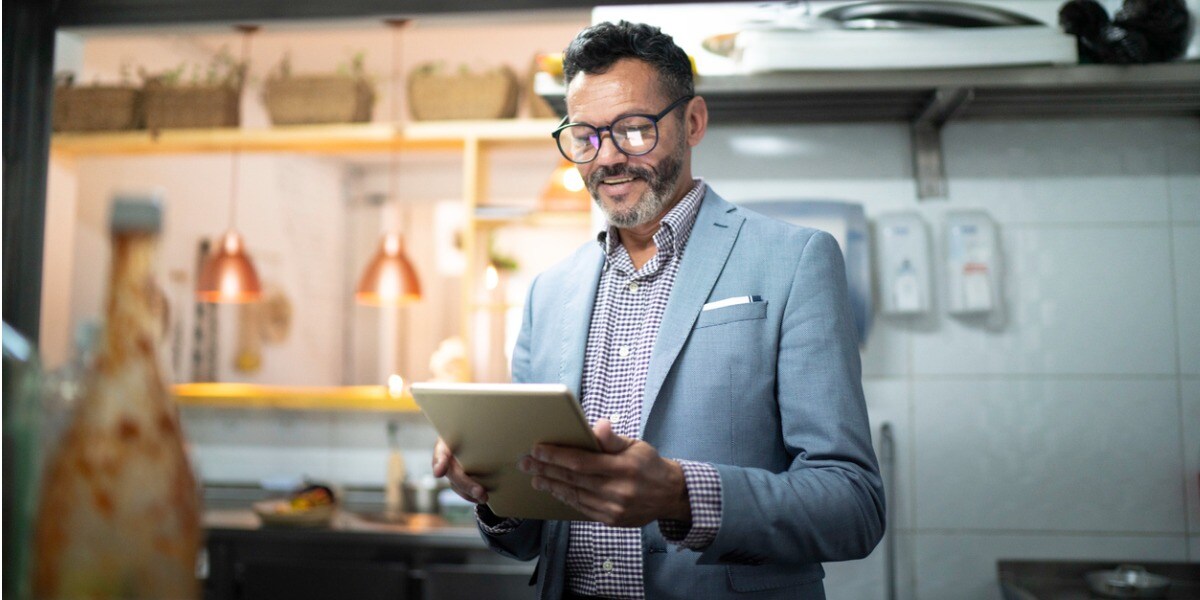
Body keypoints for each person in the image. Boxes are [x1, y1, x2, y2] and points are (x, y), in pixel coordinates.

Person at [433, 20, 885, 600]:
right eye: (586, 137)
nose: (609, 159)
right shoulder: (549, 292)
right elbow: (528, 538)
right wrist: (494, 490)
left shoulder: (796, 260)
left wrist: (680, 494)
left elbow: (854, 504)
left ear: (692, 121)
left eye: (634, 130)